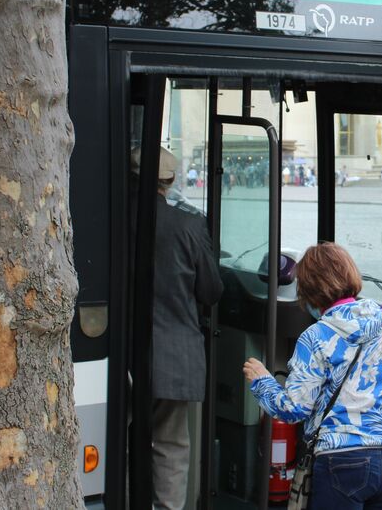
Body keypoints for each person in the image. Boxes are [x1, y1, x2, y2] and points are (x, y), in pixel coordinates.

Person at [242, 243, 382, 509]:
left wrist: (262, 380)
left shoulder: (316, 336)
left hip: (344, 458)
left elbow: (294, 409)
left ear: (309, 290)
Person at [134, 147, 225, 510]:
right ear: (169, 180)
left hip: (119, 353)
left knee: (122, 440)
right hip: (174, 355)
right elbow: (211, 290)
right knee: (170, 445)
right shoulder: (187, 225)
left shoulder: (111, 215)